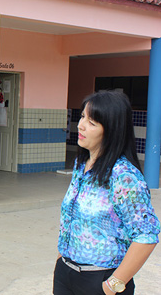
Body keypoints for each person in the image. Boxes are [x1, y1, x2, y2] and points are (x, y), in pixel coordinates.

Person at [53, 91, 160, 295]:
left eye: (92, 122)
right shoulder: (81, 165)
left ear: (111, 130)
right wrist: (61, 260)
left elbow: (146, 236)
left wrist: (111, 286)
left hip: (99, 280)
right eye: (83, 116)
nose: (80, 125)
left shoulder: (124, 176)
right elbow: (70, 218)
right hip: (66, 274)